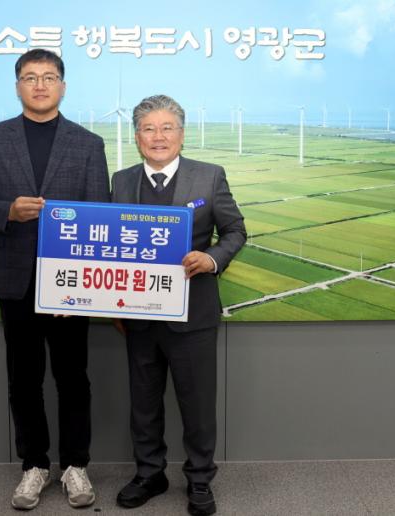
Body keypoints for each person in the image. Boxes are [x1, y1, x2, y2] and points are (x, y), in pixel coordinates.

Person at [0, 49, 110, 511]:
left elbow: (98, 216)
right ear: (17, 85)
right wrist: (7, 210)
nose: (39, 85)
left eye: (48, 77)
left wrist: (76, 287)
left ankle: (76, 465)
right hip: (16, 280)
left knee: (73, 378)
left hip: (70, 283)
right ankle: (34, 466)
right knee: (23, 379)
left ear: (63, 85)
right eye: (29, 77)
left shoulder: (88, 143)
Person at [111, 95, 246, 516]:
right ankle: (149, 474)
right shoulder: (121, 181)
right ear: (136, 137)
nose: (158, 136)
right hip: (138, 315)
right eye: (148, 128)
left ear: (182, 135)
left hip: (194, 314)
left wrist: (212, 259)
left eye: (167, 127)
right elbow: (110, 244)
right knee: (143, 404)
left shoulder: (209, 177)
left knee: (198, 405)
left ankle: (200, 480)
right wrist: (111, 303)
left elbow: (235, 231)